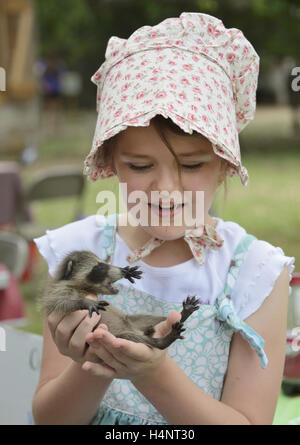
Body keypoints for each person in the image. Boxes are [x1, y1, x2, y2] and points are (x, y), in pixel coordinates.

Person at [32, 13, 295, 425]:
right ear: (111, 163)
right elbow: (51, 419)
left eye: (191, 165)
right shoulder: (78, 254)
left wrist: (154, 373)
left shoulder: (255, 274)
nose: (166, 189)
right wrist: (94, 362)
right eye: (140, 166)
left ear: (225, 165)